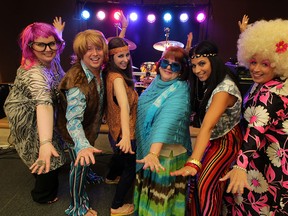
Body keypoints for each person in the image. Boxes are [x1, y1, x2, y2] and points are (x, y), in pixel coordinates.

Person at [220, 18, 288, 215]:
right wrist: (245, 33)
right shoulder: (262, 84)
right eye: (253, 62)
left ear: (278, 63)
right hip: (257, 159)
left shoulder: (272, 93)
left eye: (265, 64)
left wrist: (240, 166)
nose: (256, 69)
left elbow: (255, 129)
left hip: (268, 164)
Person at [170, 40, 243, 216]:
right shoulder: (214, 82)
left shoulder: (224, 89)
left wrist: (193, 161)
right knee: (200, 184)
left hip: (226, 141)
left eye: (202, 64)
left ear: (214, 61)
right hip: (216, 140)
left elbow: (207, 127)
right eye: (194, 65)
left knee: (205, 186)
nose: (197, 70)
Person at [3, 19, 66, 204]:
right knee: (44, 152)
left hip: (41, 108)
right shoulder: (35, 72)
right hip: (25, 113)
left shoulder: (51, 57)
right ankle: (43, 195)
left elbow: (55, 51)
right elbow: (44, 104)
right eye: (41, 44)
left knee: (52, 146)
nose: (48, 49)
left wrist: (59, 33)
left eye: (52, 43)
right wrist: (45, 142)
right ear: (30, 46)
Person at [134, 46, 192, 216]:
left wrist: (153, 153)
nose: (168, 67)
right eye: (165, 62)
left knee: (160, 203)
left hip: (165, 155)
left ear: (181, 71)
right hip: (153, 152)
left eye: (175, 66)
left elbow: (167, 121)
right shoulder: (156, 84)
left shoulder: (180, 90)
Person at [104, 37, 138, 215]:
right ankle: (116, 206)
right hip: (125, 132)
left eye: (127, 55)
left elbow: (113, 45)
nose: (125, 59)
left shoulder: (109, 72)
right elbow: (124, 107)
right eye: (120, 56)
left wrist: (122, 30)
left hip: (114, 129)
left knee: (119, 159)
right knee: (130, 169)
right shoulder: (117, 79)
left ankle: (110, 177)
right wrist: (126, 137)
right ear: (111, 57)